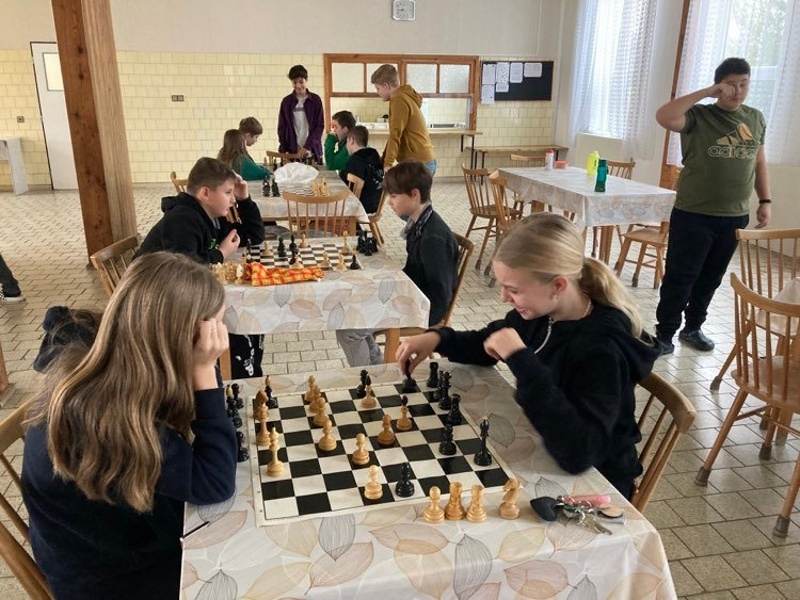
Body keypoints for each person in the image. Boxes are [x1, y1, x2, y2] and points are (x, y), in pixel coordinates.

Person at [396, 214, 660, 499]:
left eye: (514, 290)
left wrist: (521, 360)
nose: (503, 298)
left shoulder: (602, 349)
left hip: (598, 482)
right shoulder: (543, 312)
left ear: (558, 285)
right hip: (548, 444)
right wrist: (438, 338)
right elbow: (487, 344)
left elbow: (579, 453)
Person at [22, 251, 237, 600]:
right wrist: (203, 369)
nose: (218, 339)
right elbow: (215, 482)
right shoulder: (109, 417)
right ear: (178, 339)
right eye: (211, 330)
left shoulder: (112, 365)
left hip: (112, 536)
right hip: (110, 581)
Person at [654, 57, 772, 355]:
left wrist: (765, 200)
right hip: (694, 213)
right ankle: (665, 334)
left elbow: (759, 162)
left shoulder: (755, 118)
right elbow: (664, 116)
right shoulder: (699, 116)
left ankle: (693, 328)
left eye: (743, 84)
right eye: (731, 84)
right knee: (681, 276)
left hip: (734, 215)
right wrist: (707, 92)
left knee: (710, 278)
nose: (737, 91)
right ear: (720, 85)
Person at [138, 157, 266, 378]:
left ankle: (248, 378)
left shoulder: (210, 217)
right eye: (228, 193)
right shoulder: (182, 219)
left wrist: (244, 199)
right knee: (239, 326)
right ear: (205, 193)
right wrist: (221, 254)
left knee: (251, 322)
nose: (232, 199)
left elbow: (253, 236)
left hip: (181, 296)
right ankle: (231, 382)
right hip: (158, 305)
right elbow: (184, 270)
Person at [336, 161, 456, 366]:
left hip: (421, 308)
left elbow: (440, 296)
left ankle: (369, 377)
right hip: (407, 296)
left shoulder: (433, 238)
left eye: (393, 196)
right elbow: (413, 273)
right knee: (349, 314)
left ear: (414, 194)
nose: (390, 203)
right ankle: (375, 367)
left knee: (348, 330)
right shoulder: (420, 223)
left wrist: (395, 304)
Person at [371, 64, 436, 175]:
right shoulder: (402, 96)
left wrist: (387, 164)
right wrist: (384, 160)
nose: (378, 92)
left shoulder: (398, 100)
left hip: (419, 163)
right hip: (422, 160)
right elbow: (394, 135)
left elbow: (395, 135)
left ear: (386, 85)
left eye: (378, 88)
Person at [278, 65, 324, 162]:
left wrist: (307, 146)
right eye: (295, 82)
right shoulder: (286, 102)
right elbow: (282, 128)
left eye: (301, 82)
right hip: (292, 152)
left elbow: (319, 126)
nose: (298, 86)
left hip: (312, 151)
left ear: (306, 80)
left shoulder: (315, 100)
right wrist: (284, 149)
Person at [340, 125, 384, 214]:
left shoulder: (355, 160)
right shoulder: (375, 155)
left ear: (351, 140)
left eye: (347, 142)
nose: (346, 146)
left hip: (361, 206)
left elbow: (343, 185)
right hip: (377, 203)